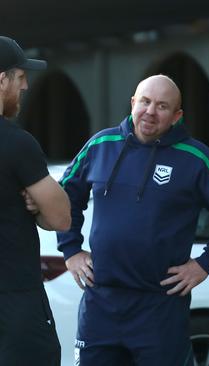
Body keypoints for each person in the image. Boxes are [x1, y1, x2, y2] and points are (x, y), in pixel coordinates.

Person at [57, 74, 209, 366]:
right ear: (133, 103)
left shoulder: (196, 158)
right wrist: (71, 249)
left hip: (160, 307)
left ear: (177, 116)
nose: (151, 111)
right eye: (145, 102)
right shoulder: (101, 144)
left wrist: (205, 263)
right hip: (101, 302)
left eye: (162, 106)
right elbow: (64, 197)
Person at [0, 36, 71, 365]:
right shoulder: (17, 145)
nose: (25, 87)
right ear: (2, 80)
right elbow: (60, 219)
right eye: (20, 77)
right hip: (14, 301)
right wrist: (36, 208)